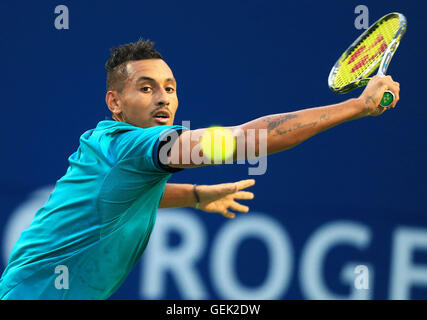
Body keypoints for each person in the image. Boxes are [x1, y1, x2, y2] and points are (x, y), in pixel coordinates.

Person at [0, 39, 400, 300]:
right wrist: (356, 107)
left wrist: (193, 195)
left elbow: (109, 203)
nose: (163, 98)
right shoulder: (133, 146)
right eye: (146, 87)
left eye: (170, 88)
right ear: (115, 102)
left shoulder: (105, 148)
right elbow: (247, 140)